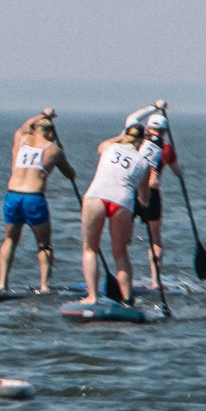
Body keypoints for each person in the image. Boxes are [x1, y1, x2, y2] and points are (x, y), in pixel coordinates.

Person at [77, 113, 165, 306]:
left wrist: (120, 135)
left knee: (90, 248)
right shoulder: (143, 162)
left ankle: (92, 297)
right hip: (122, 201)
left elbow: (102, 145)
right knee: (120, 253)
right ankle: (127, 298)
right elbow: (143, 197)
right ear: (142, 142)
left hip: (96, 197)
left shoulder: (109, 147)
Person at [0, 110, 79, 294]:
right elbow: (70, 174)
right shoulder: (53, 150)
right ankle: (44, 286)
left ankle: (2, 283)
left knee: (10, 239)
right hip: (34, 198)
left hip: (12, 196)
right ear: (50, 133)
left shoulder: (21, 140)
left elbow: (24, 127)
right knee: (44, 244)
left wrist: (44, 114)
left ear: (34, 130)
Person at [126, 102, 175, 291]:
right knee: (155, 239)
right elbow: (178, 171)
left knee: (124, 238)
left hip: (130, 192)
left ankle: (124, 276)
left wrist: (154, 107)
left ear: (148, 128)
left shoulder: (135, 141)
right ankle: (156, 280)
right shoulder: (167, 149)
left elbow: (132, 118)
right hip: (152, 193)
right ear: (164, 131)